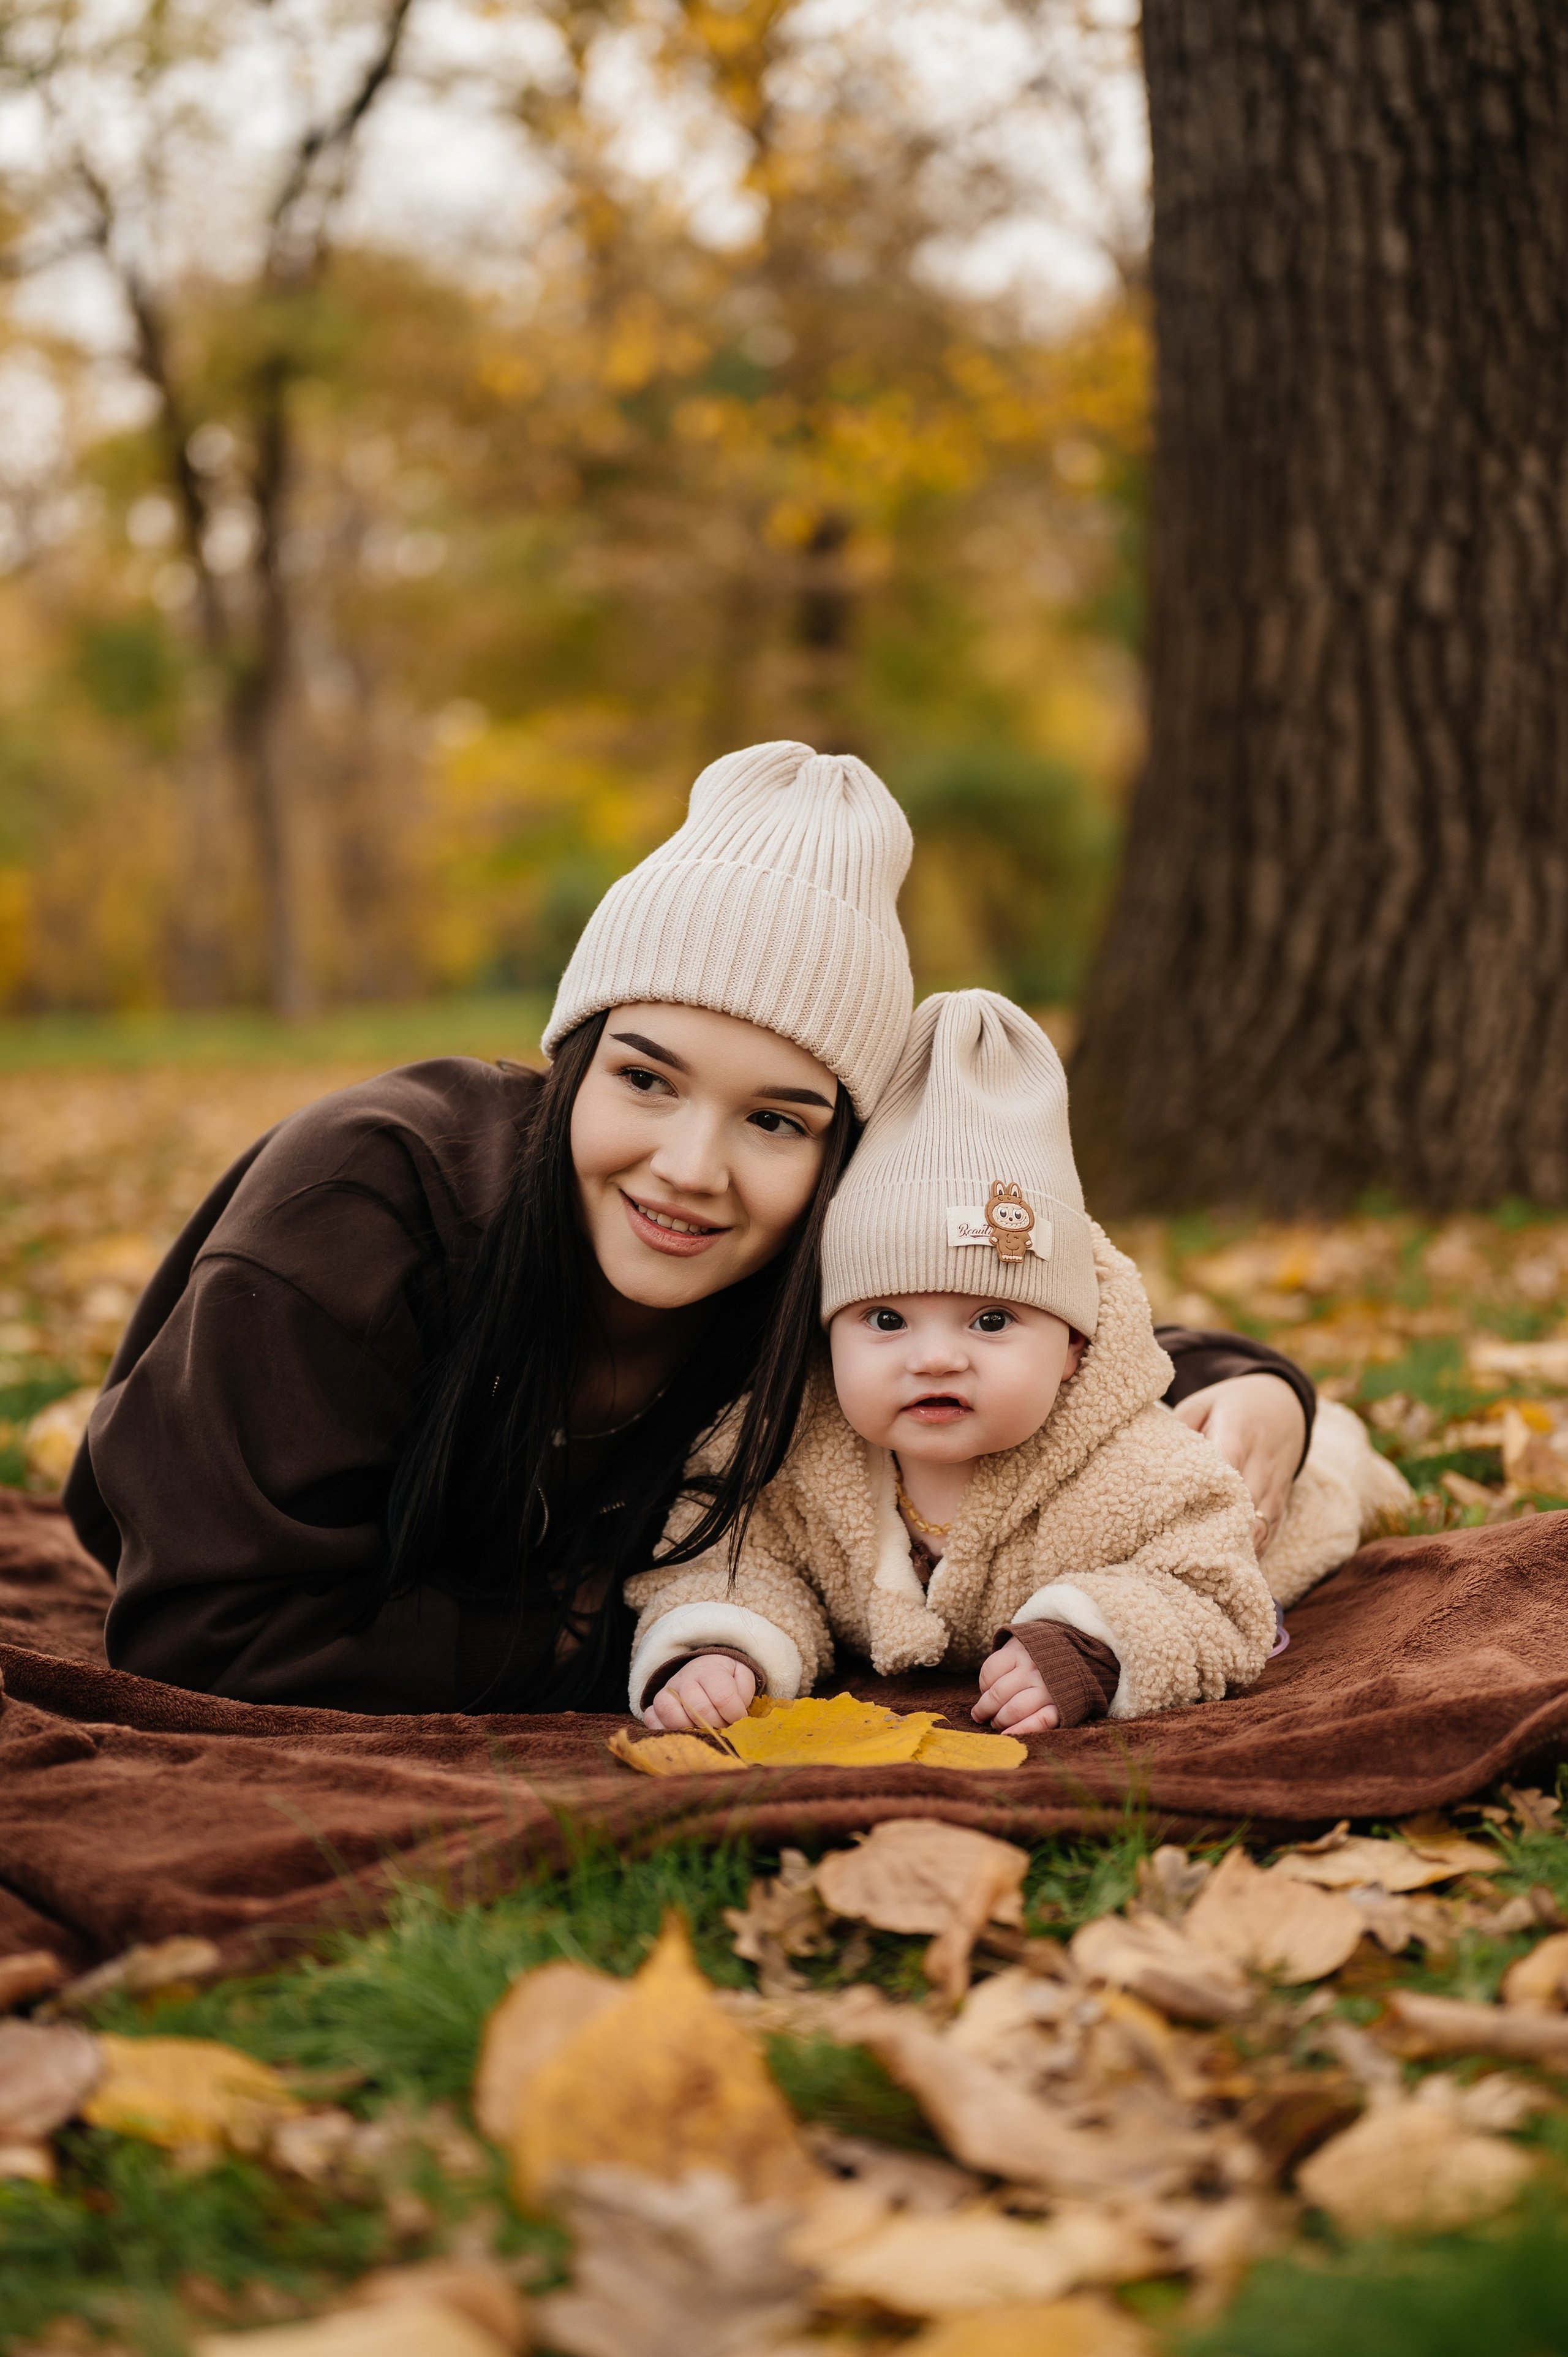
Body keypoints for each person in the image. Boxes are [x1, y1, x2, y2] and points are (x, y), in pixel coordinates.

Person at [62, 742, 1315, 1715]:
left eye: (774, 1121)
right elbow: (204, 1629)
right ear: (572, 1060)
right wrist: (620, 1633)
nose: (689, 1169)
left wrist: (1251, 1381)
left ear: (835, 1167)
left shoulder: (804, 1258)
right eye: (646, 1079)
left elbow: (998, 1303)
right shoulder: (362, 1204)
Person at [634, 992, 1397, 1736]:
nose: (935, 1357)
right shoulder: (790, 1451)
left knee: (1327, 1480)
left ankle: (1336, 1438)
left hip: (1274, 1503)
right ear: (826, 1336)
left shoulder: (1143, 1470)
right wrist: (723, 1641)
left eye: (991, 1319)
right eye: (887, 1319)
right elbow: (727, 1552)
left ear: (1074, 1346)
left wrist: (1094, 1644)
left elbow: (1214, 1593)